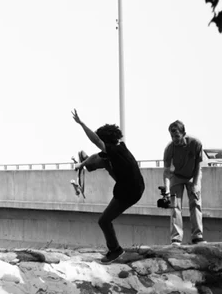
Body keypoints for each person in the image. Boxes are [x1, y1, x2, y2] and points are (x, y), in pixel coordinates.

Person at [72, 109, 145, 263]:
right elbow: (98, 154)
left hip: (129, 192)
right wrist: (82, 164)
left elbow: (96, 141)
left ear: (106, 141)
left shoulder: (116, 151)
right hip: (134, 185)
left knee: (104, 221)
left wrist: (81, 124)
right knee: (102, 159)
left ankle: (115, 250)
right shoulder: (119, 148)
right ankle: (85, 164)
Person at [163, 120, 204, 245]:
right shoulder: (170, 149)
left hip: (193, 175)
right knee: (175, 206)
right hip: (177, 176)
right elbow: (166, 172)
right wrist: (167, 190)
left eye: (177, 136)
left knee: (195, 203)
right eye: (172, 136)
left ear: (183, 134)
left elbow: (198, 166)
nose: (174, 139)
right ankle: (176, 238)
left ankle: (197, 236)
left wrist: (196, 185)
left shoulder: (195, 144)